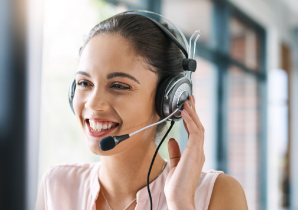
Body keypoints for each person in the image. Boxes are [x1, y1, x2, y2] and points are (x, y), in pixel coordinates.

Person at [35, 12, 248, 210]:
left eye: (119, 86)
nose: (93, 104)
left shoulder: (218, 194)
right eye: (84, 83)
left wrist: (181, 201)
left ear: (170, 100)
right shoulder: (56, 186)